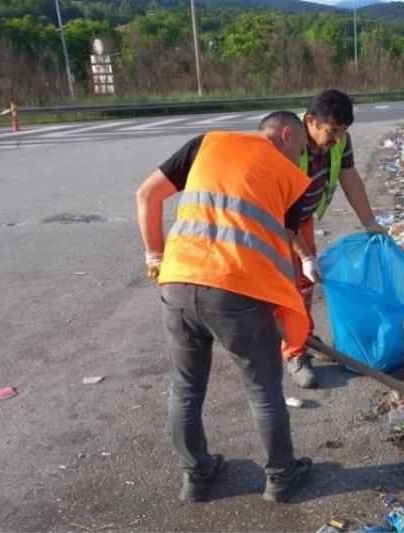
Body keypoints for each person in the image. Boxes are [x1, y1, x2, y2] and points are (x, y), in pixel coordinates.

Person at [135, 111, 314, 503]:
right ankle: (282, 477)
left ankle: (197, 476)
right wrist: (286, 312)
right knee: (263, 389)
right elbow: (281, 254)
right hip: (236, 292)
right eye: (300, 150)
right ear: (285, 135)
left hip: (177, 281)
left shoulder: (206, 144)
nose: (299, 161)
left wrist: (154, 256)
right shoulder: (292, 181)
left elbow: (146, 194)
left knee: (185, 388)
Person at [284, 89, 386, 389]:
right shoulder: (290, 142)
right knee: (287, 288)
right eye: (332, 132)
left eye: (342, 132)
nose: (337, 139)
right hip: (275, 223)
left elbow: (350, 177)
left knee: (305, 285)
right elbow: (278, 211)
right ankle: (294, 352)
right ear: (311, 122)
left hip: (302, 221)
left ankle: (301, 334)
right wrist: (303, 255)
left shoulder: (340, 141)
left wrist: (371, 223)